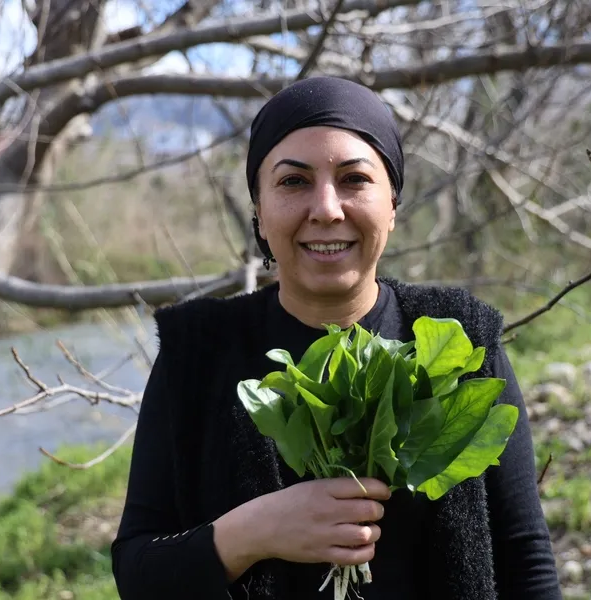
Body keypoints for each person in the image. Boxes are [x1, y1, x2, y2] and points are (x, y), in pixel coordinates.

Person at [110, 76, 562, 600]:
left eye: (354, 179)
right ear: (258, 208)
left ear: (392, 204)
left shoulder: (461, 340)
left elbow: (526, 559)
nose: (326, 208)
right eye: (294, 182)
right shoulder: (197, 351)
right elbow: (136, 574)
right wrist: (250, 534)